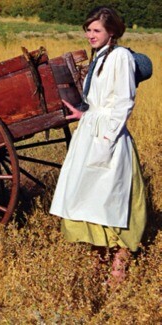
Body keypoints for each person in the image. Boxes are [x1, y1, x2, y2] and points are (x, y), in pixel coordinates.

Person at [50, 6, 147, 285]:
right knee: (90, 202)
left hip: (108, 140)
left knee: (115, 202)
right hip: (90, 133)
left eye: (96, 30)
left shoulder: (119, 57)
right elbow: (99, 101)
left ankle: (118, 272)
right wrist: (85, 115)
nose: (90, 35)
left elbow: (123, 102)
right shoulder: (101, 56)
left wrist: (106, 139)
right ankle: (99, 266)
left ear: (112, 32)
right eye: (88, 29)